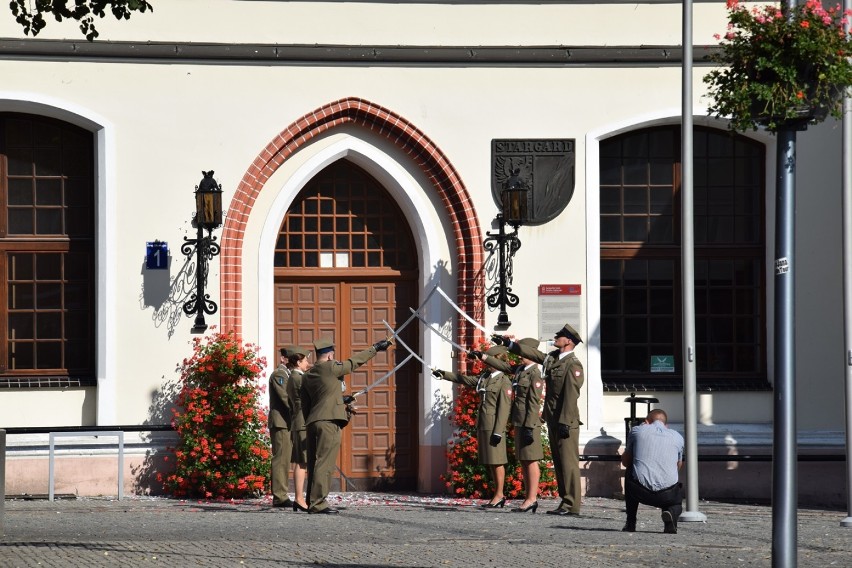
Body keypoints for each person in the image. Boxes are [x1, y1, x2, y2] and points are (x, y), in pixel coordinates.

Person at [493, 323, 585, 516]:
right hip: (553, 419)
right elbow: (535, 355)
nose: (556, 337)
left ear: (568, 341)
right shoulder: (553, 359)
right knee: (559, 464)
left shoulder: (573, 364)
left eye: (560, 335)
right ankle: (564, 502)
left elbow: (571, 395)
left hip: (565, 421)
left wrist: (564, 422)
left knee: (568, 464)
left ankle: (572, 505)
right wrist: (510, 345)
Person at [301, 336, 393, 514]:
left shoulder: (308, 375)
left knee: (314, 462)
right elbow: (353, 363)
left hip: (313, 421)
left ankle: (311, 500)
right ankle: (318, 503)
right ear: (329, 356)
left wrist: (339, 400)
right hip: (329, 422)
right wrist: (375, 348)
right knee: (325, 464)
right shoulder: (331, 367)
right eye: (333, 355)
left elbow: (307, 403)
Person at [433, 345, 513, 508]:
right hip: (484, 423)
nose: (487, 364)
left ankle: (499, 495)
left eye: (491, 361)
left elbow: (504, 408)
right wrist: (444, 374)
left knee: (497, 461)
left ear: (499, 360)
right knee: (491, 461)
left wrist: (498, 431)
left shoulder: (504, 381)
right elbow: (465, 380)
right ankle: (497, 494)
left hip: (494, 426)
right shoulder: (486, 377)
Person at [620, 408, 684, 534]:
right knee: (675, 498)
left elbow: (626, 462)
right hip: (668, 496)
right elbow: (678, 465)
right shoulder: (678, 437)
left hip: (639, 491)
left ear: (646, 421)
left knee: (629, 472)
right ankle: (670, 517)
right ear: (666, 425)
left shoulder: (637, 431)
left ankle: (631, 522)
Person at [509, 338, 545, 513]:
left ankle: (532, 498)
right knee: (524, 460)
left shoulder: (535, 374)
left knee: (530, 461)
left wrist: (530, 426)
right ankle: (528, 497)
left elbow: (534, 402)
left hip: (529, 423)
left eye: (524, 352)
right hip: (519, 420)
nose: (520, 356)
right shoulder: (521, 372)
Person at [285, 345, 311, 512]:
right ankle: (299, 498)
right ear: (298, 362)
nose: (308, 363)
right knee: (302, 461)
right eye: (306, 360)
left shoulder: (296, 376)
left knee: (303, 461)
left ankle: (301, 498)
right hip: (302, 421)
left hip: (299, 419)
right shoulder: (297, 377)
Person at [268, 346, 293, 508]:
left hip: (288, 422)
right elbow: (286, 397)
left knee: (286, 459)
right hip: (281, 422)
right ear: (283, 359)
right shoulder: (279, 374)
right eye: (291, 358)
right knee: (281, 459)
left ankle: (282, 493)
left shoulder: (289, 375)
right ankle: (280, 496)